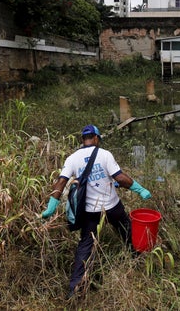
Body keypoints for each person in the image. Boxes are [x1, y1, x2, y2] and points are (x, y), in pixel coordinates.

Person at [40, 124, 152, 298]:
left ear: (83, 140)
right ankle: (136, 259)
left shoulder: (72, 158)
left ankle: (75, 287)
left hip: (90, 212)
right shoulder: (105, 154)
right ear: (97, 138)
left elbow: (61, 182)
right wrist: (140, 189)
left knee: (85, 245)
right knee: (126, 230)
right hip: (112, 207)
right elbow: (120, 177)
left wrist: (51, 205)